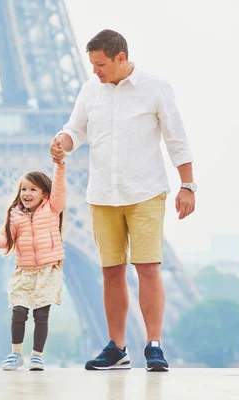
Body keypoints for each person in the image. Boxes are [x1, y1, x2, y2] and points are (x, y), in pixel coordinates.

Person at [51, 29, 196, 372]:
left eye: (100, 64)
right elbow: (76, 129)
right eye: (92, 65)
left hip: (144, 191)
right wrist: (62, 141)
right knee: (111, 271)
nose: (95, 71)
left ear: (120, 57)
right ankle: (117, 348)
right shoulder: (91, 90)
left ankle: (154, 345)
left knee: (147, 268)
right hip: (103, 193)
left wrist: (188, 185)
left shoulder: (155, 88)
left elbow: (177, 138)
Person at [0, 149, 66, 371]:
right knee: (19, 310)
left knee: (41, 314)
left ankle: (37, 356)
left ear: (45, 194)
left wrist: (59, 165)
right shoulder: (15, 215)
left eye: (33, 189)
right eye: (23, 189)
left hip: (48, 270)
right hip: (25, 270)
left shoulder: (52, 208)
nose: (27, 193)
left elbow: (59, 189)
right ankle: (16, 353)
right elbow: (7, 240)